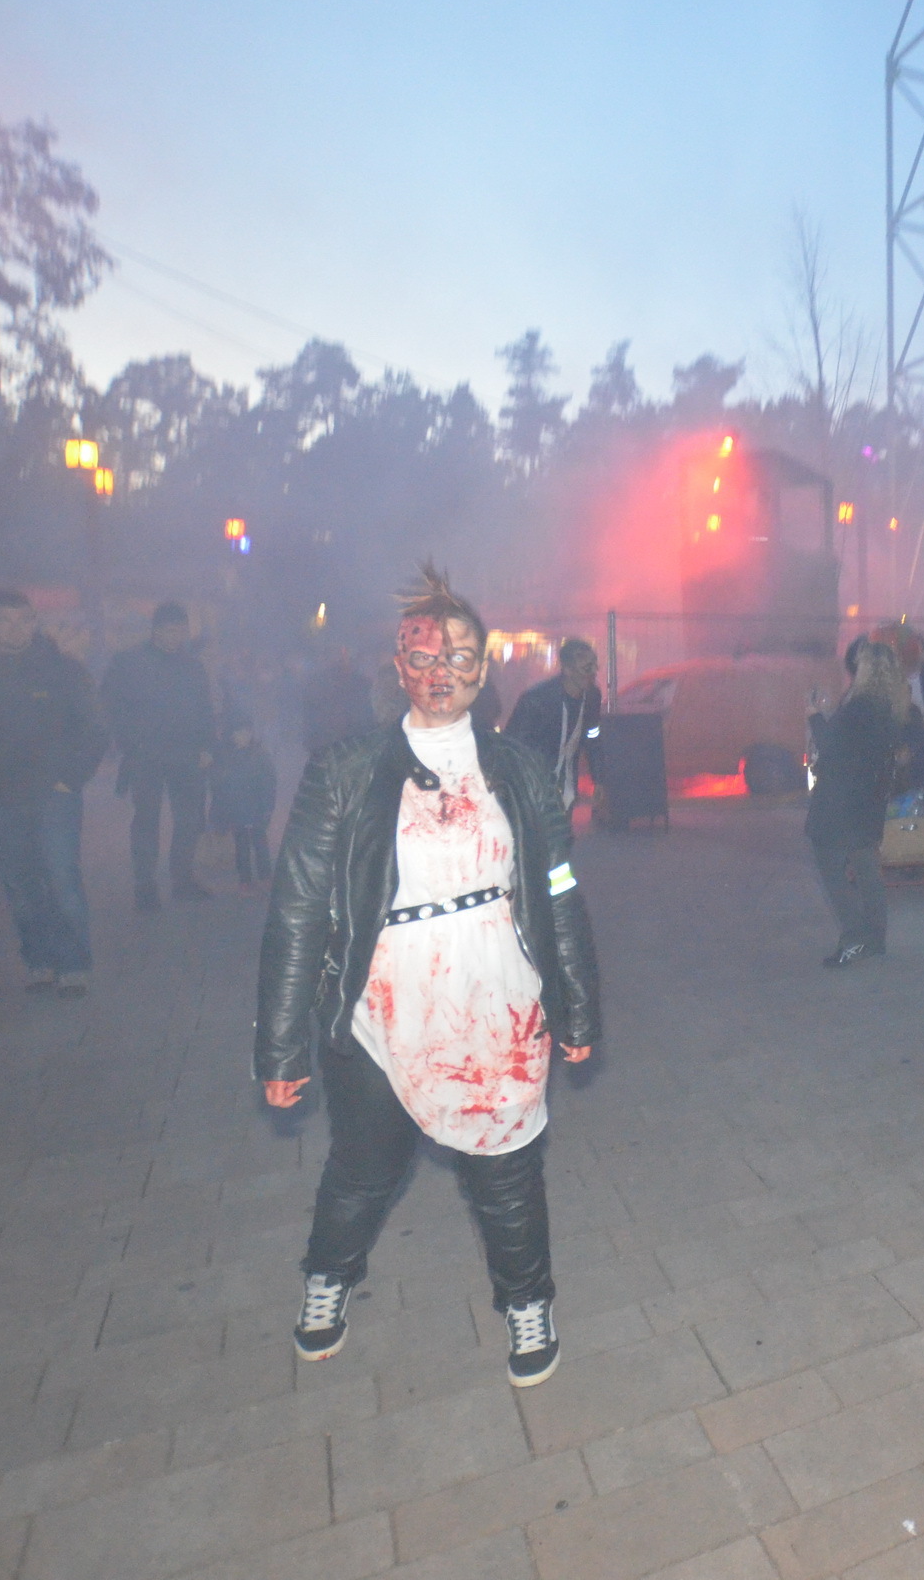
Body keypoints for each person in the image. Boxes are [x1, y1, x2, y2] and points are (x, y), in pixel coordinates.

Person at [257, 564, 599, 1388]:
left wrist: (579, 1007)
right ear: (398, 666)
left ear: (484, 670)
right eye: (423, 656)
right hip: (383, 1004)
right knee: (364, 1166)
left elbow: (558, 890)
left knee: (507, 1170)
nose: (441, 672)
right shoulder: (343, 770)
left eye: (460, 657)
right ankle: (328, 1278)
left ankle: (528, 1301)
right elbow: (298, 908)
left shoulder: (519, 769)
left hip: (498, 1000)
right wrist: (280, 1046)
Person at [0, 590, 108, 996]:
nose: (16, 629)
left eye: (25, 619)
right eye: (6, 620)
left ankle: (74, 964)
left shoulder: (62, 670)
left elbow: (96, 728)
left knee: (61, 878)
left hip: (53, 795)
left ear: (35, 622)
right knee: (20, 885)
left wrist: (71, 777)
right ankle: (39, 961)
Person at [102, 602, 217, 910]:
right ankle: (145, 886)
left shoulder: (192, 666)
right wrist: (128, 742)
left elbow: (204, 709)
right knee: (146, 822)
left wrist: (207, 747)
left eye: (180, 631)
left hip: (186, 754)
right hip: (146, 755)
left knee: (188, 820)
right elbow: (110, 705)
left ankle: (182, 880)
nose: (174, 637)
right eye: (168, 630)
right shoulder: (129, 663)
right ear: (155, 630)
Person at [806, 641, 907, 968]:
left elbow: (831, 748)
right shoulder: (889, 706)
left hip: (841, 802)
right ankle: (875, 937)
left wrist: (814, 717)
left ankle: (855, 938)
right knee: (866, 870)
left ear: (867, 670)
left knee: (830, 868)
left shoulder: (860, 707)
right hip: (868, 802)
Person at [504, 638, 602, 810]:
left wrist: (599, 780)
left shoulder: (592, 697)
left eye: (595, 665)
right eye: (587, 668)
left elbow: (593, 739)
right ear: (568, 670)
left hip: (566, 787)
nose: (594, 672)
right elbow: (514, 746)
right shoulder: (536, 700)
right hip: (534, 788)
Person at [209, 718, 277, 887]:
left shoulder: (260, 755)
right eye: (236, 733)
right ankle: (245, 881)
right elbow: (222, 786)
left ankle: (265, 876)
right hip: (237, 809)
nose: (238, 736)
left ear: (250, 733)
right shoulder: (228, 757)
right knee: (241, 846)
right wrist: (222, 812)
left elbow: (269, 783)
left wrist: (268, 807)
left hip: (257, 809)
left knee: (260, 843)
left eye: (242, 732)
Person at [303, 648, 373, 755]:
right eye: (332, 654)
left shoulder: (362, 685)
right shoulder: (316, 686)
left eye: (342, 656)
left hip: (356, 746)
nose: (337, 660)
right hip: (325, 746)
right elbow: (310, 724)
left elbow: (367, 719)